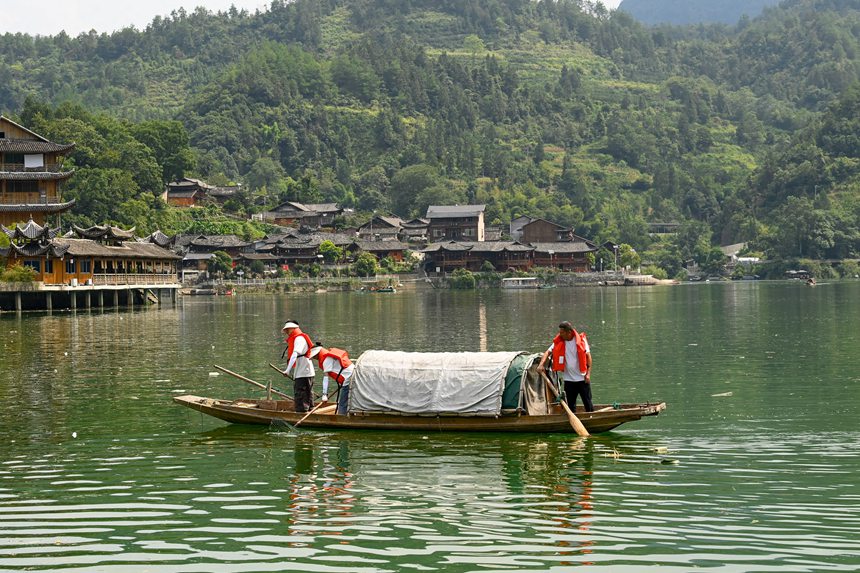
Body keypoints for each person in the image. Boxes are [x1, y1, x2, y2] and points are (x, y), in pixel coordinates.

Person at [537, 321, 593, 412]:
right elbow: (547, 352)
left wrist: (588, 374)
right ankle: (572, 423)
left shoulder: (581, 341)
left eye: (562, 332)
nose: (560, 334)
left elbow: (588, 357)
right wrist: (541, 364)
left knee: (588, 404)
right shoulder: (559, 341)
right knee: (571, 406)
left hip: (582, 379)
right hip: (569, 380)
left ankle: (590, 419)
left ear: (569, 332)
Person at [309, 343, 354, 415]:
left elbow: (326, 377)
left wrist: (324, 395)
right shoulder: (327, 355)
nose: (314, 358)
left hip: (348, 378)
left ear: (317, 354)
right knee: (348, 400)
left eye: (314, 356)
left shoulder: (327, 359)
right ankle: (350, 414)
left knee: (342, 403)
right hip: (351, 375)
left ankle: (342, 417)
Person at [281, 320, 315, 412]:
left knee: (301, 394)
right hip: (305, 371)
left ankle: (302, 413)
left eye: (288, 329)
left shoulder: (299, 338)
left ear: (293, 328)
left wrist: (287, 370)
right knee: (307, 393)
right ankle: (309, 410)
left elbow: (294, 355)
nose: (287, 332)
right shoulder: (297, 338)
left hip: (303, 371)